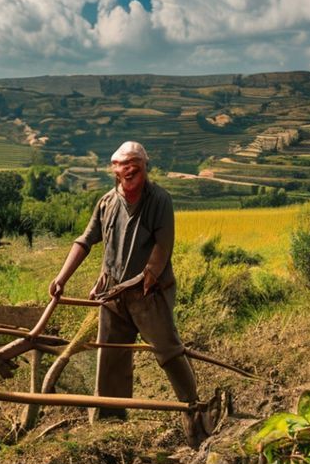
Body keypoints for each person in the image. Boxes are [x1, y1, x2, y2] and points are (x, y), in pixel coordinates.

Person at [48, 141, 207, 447]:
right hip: (113, 295)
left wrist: (147, 277)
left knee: (169, 351)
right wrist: (61, 277)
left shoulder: (159, 200)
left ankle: (193, 410)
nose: (131, 168)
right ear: (115, 168)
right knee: (110, 357)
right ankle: (110, 425)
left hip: (149, 294)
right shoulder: (106, 202)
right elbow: (85, 241)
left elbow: (163, 245)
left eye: (137, 162)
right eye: (124, 163)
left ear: (145, 167)